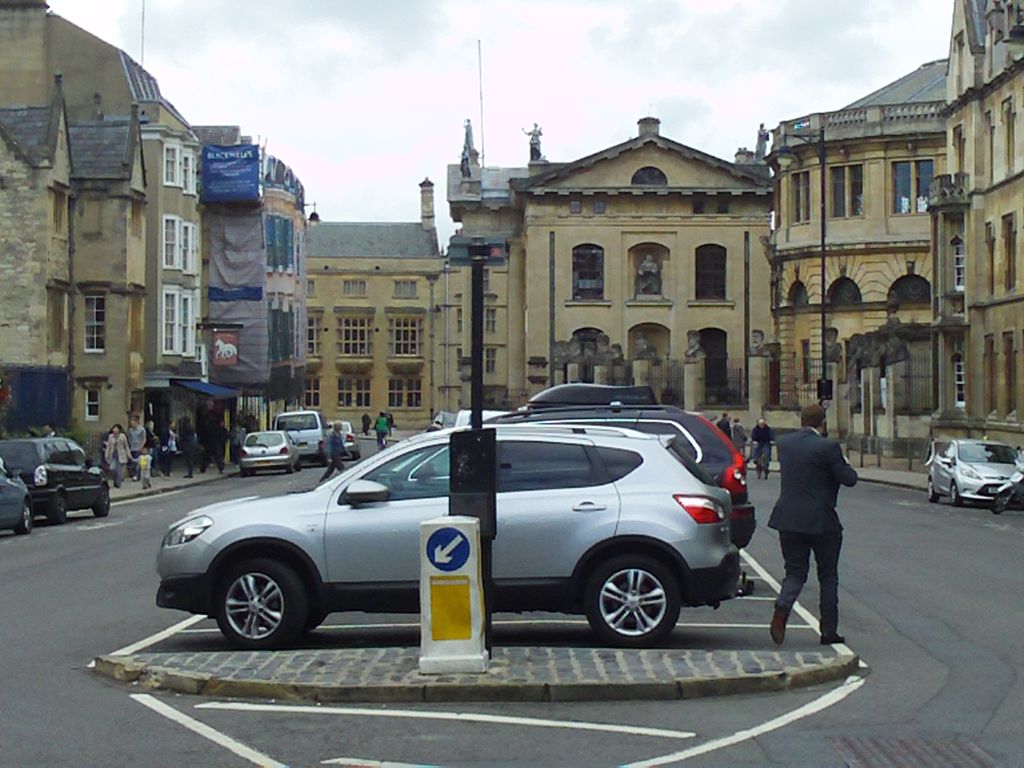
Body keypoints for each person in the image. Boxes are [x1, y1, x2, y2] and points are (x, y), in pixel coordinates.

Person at [768, 403, 858, 647]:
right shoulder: (828, 447)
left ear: (801, 420)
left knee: (795, 572)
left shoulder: (785, 444)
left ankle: (783, 604)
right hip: (822, 521)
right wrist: (844, 463)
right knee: (828, 577)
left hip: (787, 518)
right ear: (823, 422)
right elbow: (849, 479)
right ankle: (828, 631)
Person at [103, 423, 130, 488]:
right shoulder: (110, 436)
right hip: (112, 455)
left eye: (116, 428)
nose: (115, 430)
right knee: (112, 468)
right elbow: (108, 446)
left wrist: (128, 454)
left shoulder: (122, 436)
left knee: (119, 470)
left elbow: (126, 446)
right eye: (114, 428)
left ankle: (118, 483)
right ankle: (115, 479)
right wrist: (106, 454)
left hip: (121, 455)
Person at [126, 415, 147, 481]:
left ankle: (136, 475)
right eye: (131, 423)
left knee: (138, 463)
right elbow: (129, 438)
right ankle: (134, 474)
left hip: (139, 448)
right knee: (132, 462)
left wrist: (141, 447)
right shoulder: (130, 430)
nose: (132, 424)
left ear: (137, 422)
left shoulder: (141, 430)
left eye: (133, 422)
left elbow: (144, 439)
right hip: (132, 448)